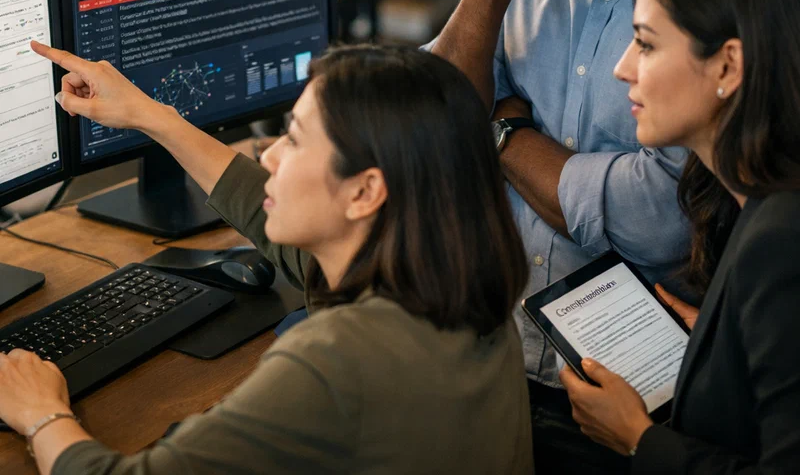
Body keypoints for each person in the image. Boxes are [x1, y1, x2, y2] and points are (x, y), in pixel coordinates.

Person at [429, 0, 773, 473]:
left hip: (652, 412)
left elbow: (660, 219)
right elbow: (424, 127)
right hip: (492, 360)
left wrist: (502, 129)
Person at [0, 43, 533, 475]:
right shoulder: (460, 287)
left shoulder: (336, 359)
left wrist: (41, 413)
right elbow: (264, 210)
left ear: (365, 192)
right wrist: (150, 116)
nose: (269, 155)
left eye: (294, 141)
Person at [559, 0, 800, 472]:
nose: (622, 68)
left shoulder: (781, 240)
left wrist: (638, 438)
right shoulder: (759, 204)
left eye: (645, 43)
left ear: (728, 66)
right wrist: (719, 346)